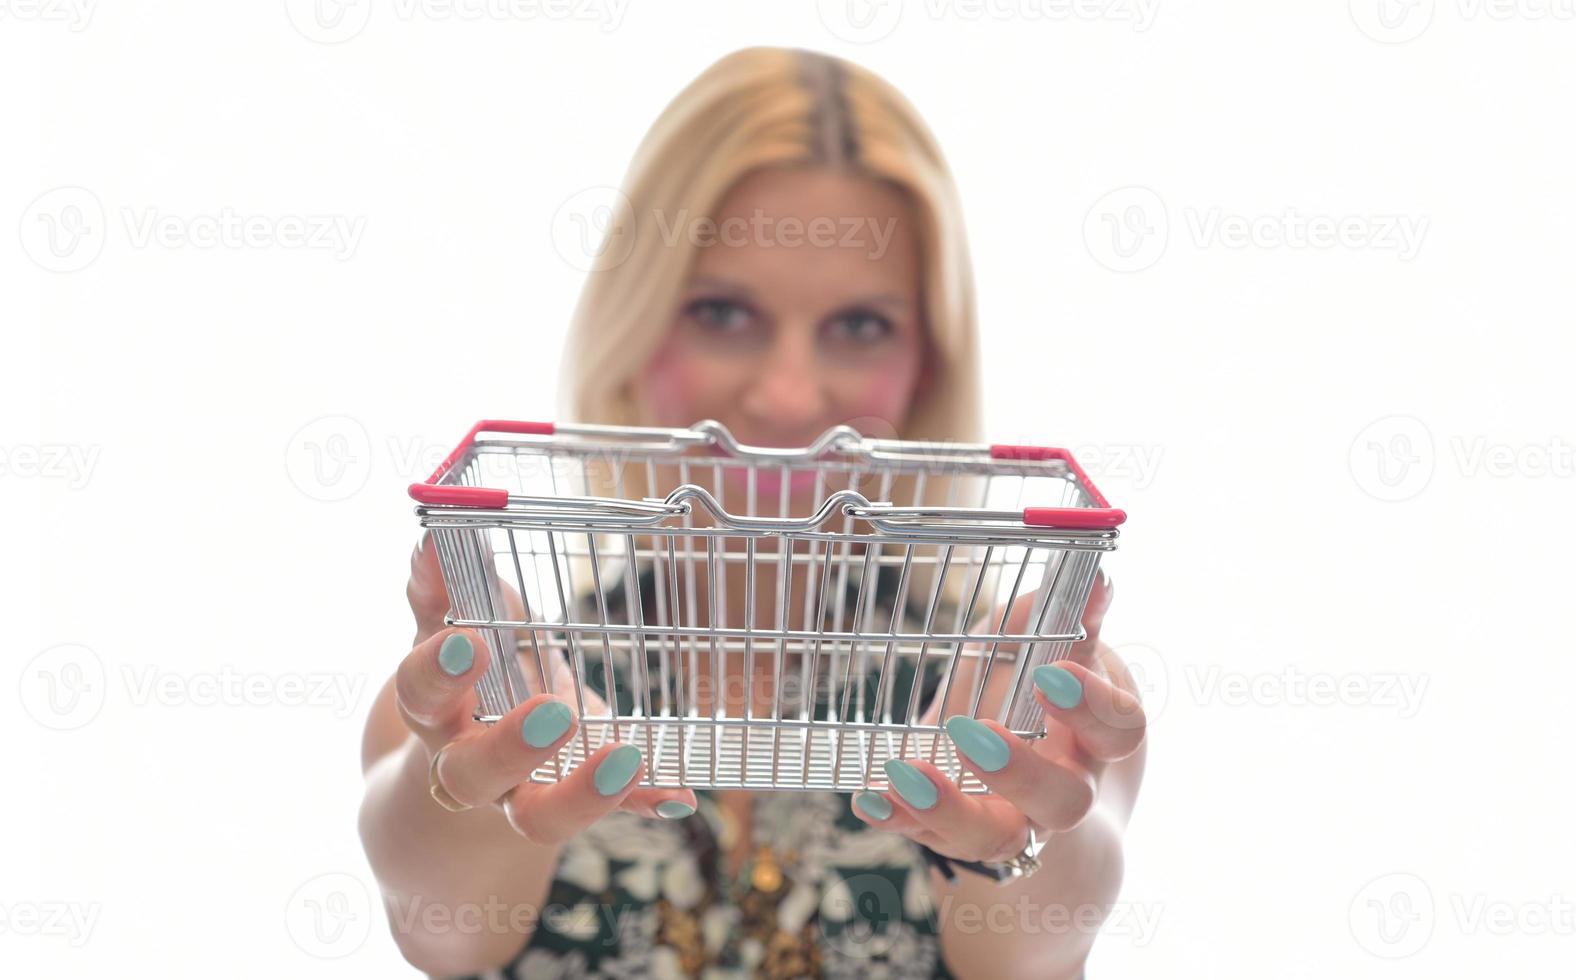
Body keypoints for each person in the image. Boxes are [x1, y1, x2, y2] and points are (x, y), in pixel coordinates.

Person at [359, 46, 1147, 979]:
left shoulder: (1021, 698)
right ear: (637, 327)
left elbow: (1037, 945)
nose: (784, 396)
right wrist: (452, 781)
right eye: (724, 313)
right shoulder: (496, 694)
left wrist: (1042, 843)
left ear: (925, 363)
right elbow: (437, 922)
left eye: (858, 326)